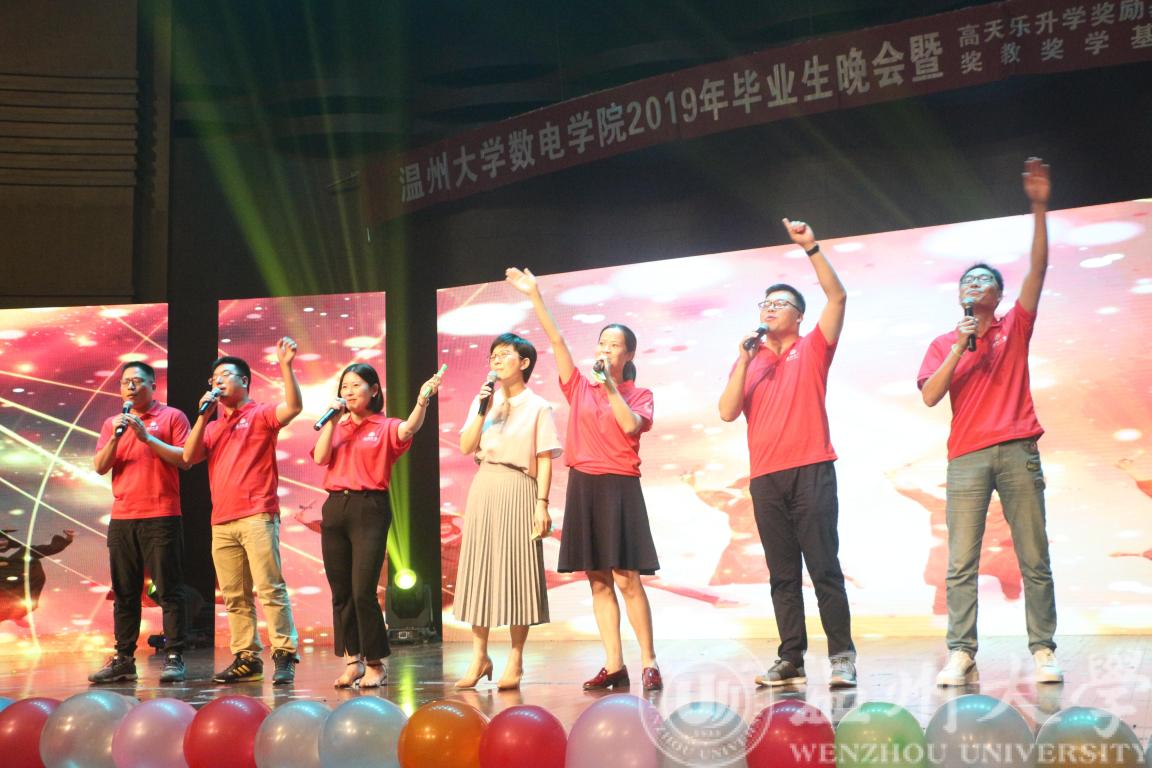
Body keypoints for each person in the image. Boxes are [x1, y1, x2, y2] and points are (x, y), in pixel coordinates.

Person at [918, 157, 1061, 686]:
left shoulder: (1014, 326)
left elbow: (1038, 270)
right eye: (968, 281)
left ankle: (1043, 649)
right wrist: (960, 347)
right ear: (959, 295)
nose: (975, 284)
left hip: (1018, 448)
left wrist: (1039, 208)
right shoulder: (944, 342)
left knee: (1033, 554)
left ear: (998, 296)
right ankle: (961, 652)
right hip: (966, 457)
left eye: (984, 281)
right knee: (961, 561)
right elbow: (931, 395)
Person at [507, 267, 664, 692]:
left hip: (619, 486)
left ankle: (649, 661)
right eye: (601, 343)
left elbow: (630, 425)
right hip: (584, 485)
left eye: (614, 345)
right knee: (597, 579)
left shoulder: (639, 394)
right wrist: (534, 294)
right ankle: (614, 664)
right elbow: (557, 339)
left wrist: (610, 386)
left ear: (628, 355)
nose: (605, 349)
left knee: (627, 578)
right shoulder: (577, 386)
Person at [718, 217, 856, 689]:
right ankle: (790, 658)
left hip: (812, 469)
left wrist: (811, 247)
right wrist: (743, 359)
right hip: (766, 478)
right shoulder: (751, 360)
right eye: (766, 303)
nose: (770, 309)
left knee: (824, 568)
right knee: (782, 575)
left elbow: (838, 298)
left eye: (780, 304)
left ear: (798, 316)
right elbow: (726, 412)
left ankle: (842, 656)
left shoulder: (813, 347)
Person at [311, 362, 443, 689]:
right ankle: (352, 661)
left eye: (356, 385)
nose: (349, 391)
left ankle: (375, 663)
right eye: (344, 386)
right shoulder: (337, 425)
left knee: (362, 590)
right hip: (335, 507)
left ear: (373, 390)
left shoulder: (384, 426)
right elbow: (320, 458)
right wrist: (332, 421)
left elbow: (409, 429)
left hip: (369, 507)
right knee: (341, 592)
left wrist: (422, 400)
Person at [183, 337, 303, 685]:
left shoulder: (261, 413)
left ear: (245, 381)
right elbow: (188, 457)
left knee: (270, 588)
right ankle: (247, 657)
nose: (218, 382)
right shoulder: (213, 427)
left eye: (226, 376)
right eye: (214, 379)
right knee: (234, 596)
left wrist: (286, 366)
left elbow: (293, 407)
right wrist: (203, 416)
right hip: (222, 521)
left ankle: (284, 654)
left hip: (257, 514)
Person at [453, 333, 562, 691]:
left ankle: (515, 658)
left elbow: (544, 458)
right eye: (493, 356)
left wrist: (542, 504)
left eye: (504, 355)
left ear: (524, 362)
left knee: (519, 571)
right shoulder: (484, 401)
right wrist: (482, 409)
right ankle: (479, 656)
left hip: (520, 487)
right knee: (480, 569)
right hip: (485, 484)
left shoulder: (539, 406)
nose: (496, 361)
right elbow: (466, 445)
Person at [89, 362, 191, 684]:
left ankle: (174, 655)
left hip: (161, 515)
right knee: (125, 592)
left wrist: (146, 437)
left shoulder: (172, 417)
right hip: (123, 517)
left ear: (153, 385)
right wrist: (116, 438)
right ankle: (123, 658)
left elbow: (184, 458)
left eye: (137, 381)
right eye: (125, 382)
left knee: (169, 590)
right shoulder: (112, 423)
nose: (130, 387)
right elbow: (100, 467)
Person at [0, 528, 74, 625]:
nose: (1, 543)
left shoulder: (24, 552)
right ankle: (13, 614)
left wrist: (68, 538)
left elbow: (49, 549)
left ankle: (16, 614)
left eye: (3, 540)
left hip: (19, 583)